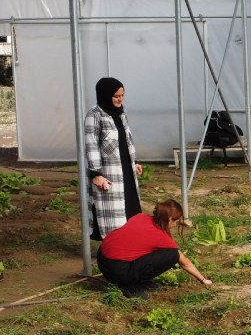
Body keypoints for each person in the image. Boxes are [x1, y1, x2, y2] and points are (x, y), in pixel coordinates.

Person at [96, 199, 212, 299]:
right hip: (117, 271)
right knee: (172, 255)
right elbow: (185, 263)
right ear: (169, 219)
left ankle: (136, 280)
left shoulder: (140, 217)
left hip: (102, 258)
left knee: (152, 251)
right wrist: (203, 279)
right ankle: (129, 285)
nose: (176, 225)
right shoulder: (161, 237)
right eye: (175, 221)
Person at [84, 77, 143, 241]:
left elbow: (127, 139)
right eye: (116, 96)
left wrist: (134, 161)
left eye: (122, 95)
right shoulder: (94, 115)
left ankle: (129, 242)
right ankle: (113, 247)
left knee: (130, 206)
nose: (120, 99)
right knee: (111, 213)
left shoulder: (121, 113)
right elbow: (91, 145)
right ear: (105, 95)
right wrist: (96, 174)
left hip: (126, 169)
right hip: (108, 172)